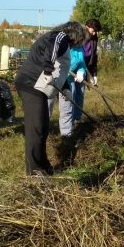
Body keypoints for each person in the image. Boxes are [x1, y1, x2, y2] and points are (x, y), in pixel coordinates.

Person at [15, 21, 87, 175]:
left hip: (38, 86)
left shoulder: (62, 41)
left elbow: (61, 71)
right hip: (31, 84)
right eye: (80, 40)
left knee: (43, 128)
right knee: (36, 128)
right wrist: (47, 71)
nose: (78, 44)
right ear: (76, 35)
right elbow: (51, 51)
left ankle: (44, 166)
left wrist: (65, 88)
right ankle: (34, 171)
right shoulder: (59, 37)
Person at [84, 19, 102, 86]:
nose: (94, 33)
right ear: (87, 27)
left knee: (80, 94)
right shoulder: (78, 37)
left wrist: (94, 75)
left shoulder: (94, 39)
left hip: (84, 71)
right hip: (73, 71)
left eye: (96, 31)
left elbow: (94, 58)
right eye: (93, 30)